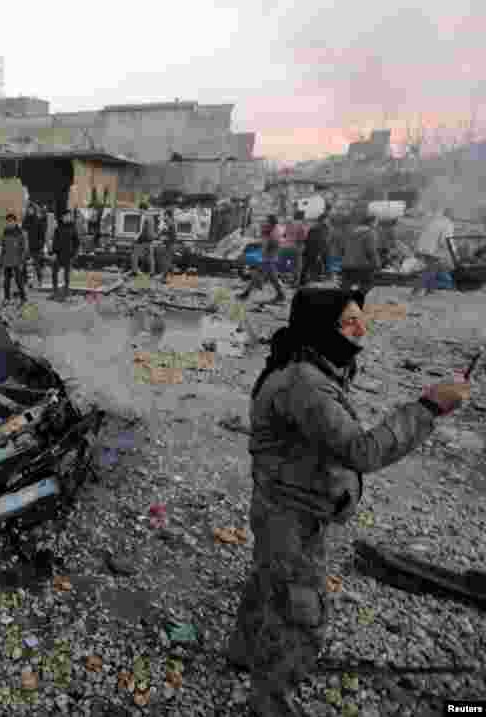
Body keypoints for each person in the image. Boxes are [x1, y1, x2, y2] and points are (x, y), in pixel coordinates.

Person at [227, 287, 470, 717]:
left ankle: (243, 653)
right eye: (348, 322)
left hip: (285, 506)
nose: (361, 329)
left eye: (361, 318)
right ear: (322, 329)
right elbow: (362, 451)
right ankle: (269, 706)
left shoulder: (312, 365)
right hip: (292, 515)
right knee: (301, 617)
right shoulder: (304, 384)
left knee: (269, 582)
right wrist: (428, 407)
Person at [238, 214, 287, 303]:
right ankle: (281, 295)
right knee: (273, 278)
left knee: (259, 276)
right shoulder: (274, 230)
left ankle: (246, 293)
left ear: (271, 222)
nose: (265, 223)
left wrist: (261, 247)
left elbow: (269, 245)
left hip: (269, 259)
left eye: (266, 221)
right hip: (269, 258)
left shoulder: (274, 232)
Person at [413, 206, 455, 297]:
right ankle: (417, 290)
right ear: (451, 215)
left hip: (423, 248)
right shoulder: (448, 223)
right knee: (431, 270)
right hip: (433, 250)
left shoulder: (435, 220)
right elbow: (445, 240)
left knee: (433, 269)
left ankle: (430, 289)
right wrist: (453, 251)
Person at [340, 213, 380, 295]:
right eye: (376, 222)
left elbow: (342, 248)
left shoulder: (351, 232)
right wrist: (377, 263)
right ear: (371, 222)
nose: (377, 224)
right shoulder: (370, 232)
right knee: (367, 284)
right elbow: (371, 250)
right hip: (363, 265)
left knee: (345, 287)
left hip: (347, 264)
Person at [0, 213, 27, 303]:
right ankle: (6, 297)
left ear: (15, 222)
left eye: (11, 221)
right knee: (6, 281)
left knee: (19, 280)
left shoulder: (20, 233)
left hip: (16, 260)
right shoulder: (5, 232)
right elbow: (3, 248)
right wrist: (1, 260)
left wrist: (22, 261)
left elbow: (23, 248)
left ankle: (23, 297)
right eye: (8, 222)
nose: (10, 223)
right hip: (7, 260)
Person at [50, 209, 79, 299]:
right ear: (62, 218)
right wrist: (53, 252)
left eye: (69, 216)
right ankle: (55, 290)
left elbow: (76, 242)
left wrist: (74, 253)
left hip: (68, 255)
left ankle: (66, 290)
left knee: (67, 274)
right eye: (66, 216)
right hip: (58, 254)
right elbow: (55, 241)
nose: (67, 218)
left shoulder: (73, 228)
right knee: (54, 272)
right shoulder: (58, 228)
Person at [298, 211, 330, 287]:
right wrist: (321, 250)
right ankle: (312, 280)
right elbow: (322, 240)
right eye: (326, 219)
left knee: (307, 265)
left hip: (312, 249)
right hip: (315, 249)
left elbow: (307, 239)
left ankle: (305, 281)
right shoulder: (321, 228)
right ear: (323, 219)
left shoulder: (316, 227)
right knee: (311, 265)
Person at [131, 206, 155, 276]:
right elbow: (150, 230)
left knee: (135, 255)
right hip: (150, 240)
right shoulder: (151, 217)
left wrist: (137, 239)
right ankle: (152, 272)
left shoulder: (144, 217)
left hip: (143, 240)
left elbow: (142, 230)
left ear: (142, 209)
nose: (139, 211)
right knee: (150, 256)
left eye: (139, 209)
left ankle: (135, 271)